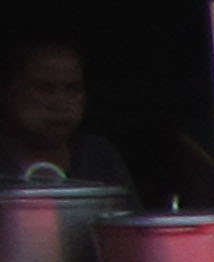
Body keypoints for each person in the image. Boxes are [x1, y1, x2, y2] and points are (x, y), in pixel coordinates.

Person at [3, 33, 135, 196]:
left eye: (73, 89)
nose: (60, 103)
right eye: (45, 89)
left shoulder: (98, 157)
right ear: (8, 91)